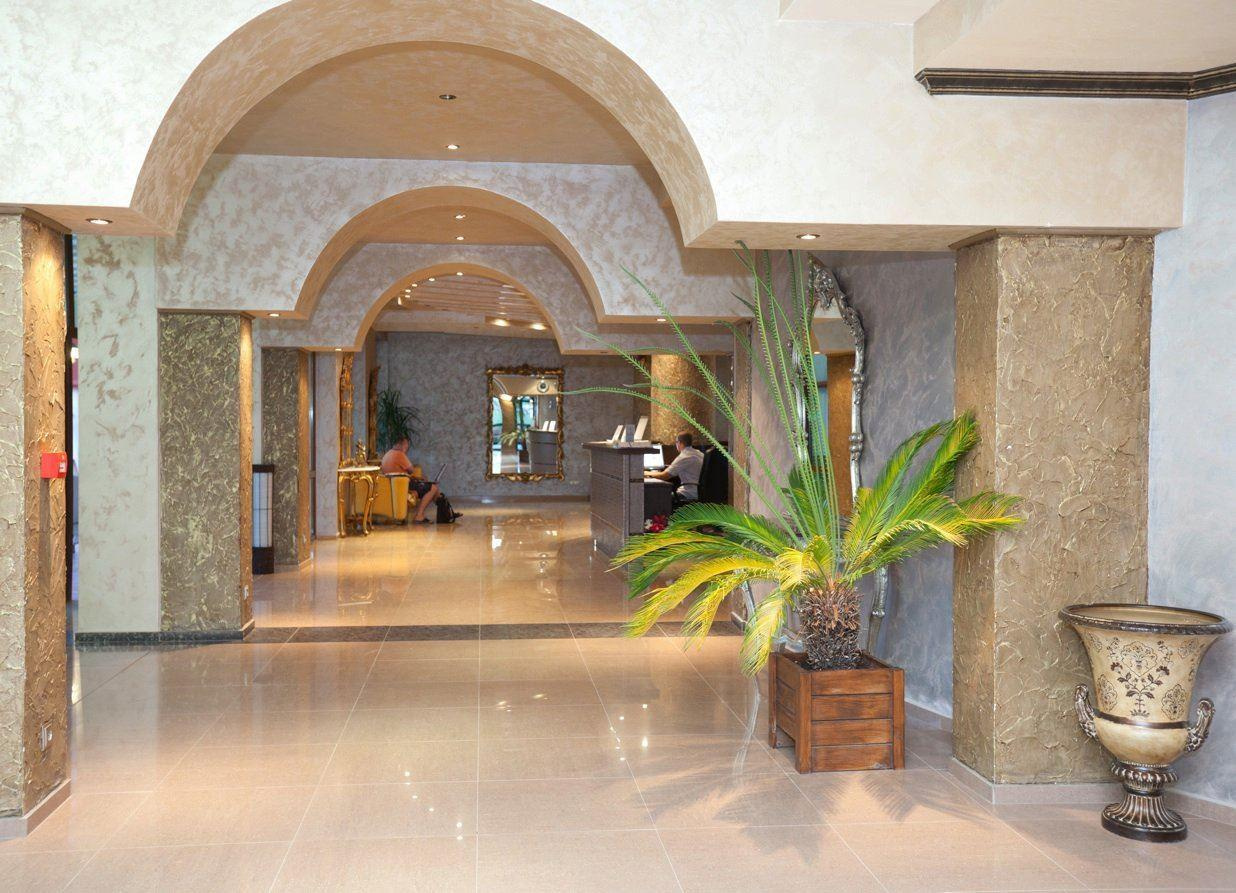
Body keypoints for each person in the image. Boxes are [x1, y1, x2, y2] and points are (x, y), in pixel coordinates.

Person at [379, 437, 440, 524]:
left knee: (435, 490)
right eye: (406, 444)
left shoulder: (387, 454)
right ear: (400, 444)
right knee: (433, 488)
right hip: (403, 485)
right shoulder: (399, 454)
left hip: (395, 485)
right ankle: (419, 515)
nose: (407, 447)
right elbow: (411, 470)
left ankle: (445, 512)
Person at [646, 431, 705, 506]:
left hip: (688, 494)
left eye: (676, 442)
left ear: (680, 443)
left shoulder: (684, 456)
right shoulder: (699, 454)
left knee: (656, 496)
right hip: (700, 493)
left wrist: (645, 473)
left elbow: (664, 476)